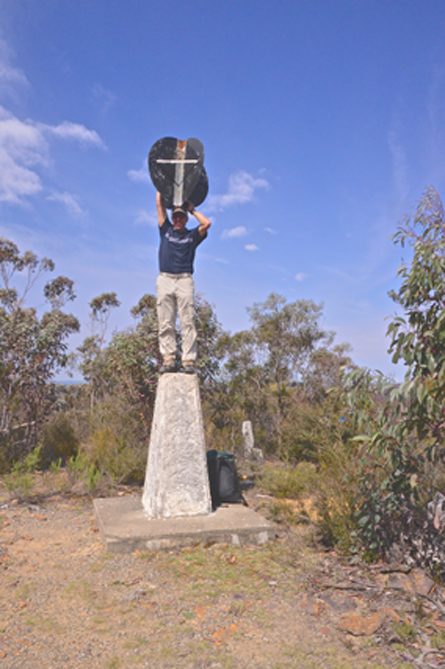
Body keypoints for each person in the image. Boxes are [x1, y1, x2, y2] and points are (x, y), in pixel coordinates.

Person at [155, 191, 211, 373]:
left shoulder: (191, 236)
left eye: (181, 217)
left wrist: (192, 209)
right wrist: (162, 184)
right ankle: (169, 359)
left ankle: (188, 361)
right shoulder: (166, 230)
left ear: (185, 219)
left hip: (184, 280)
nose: (178, 220)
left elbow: (207, 223)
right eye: (175, 217)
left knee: (187, 321)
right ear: (172, 218)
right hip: (165, 279)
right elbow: (159, 204)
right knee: (165, 321)